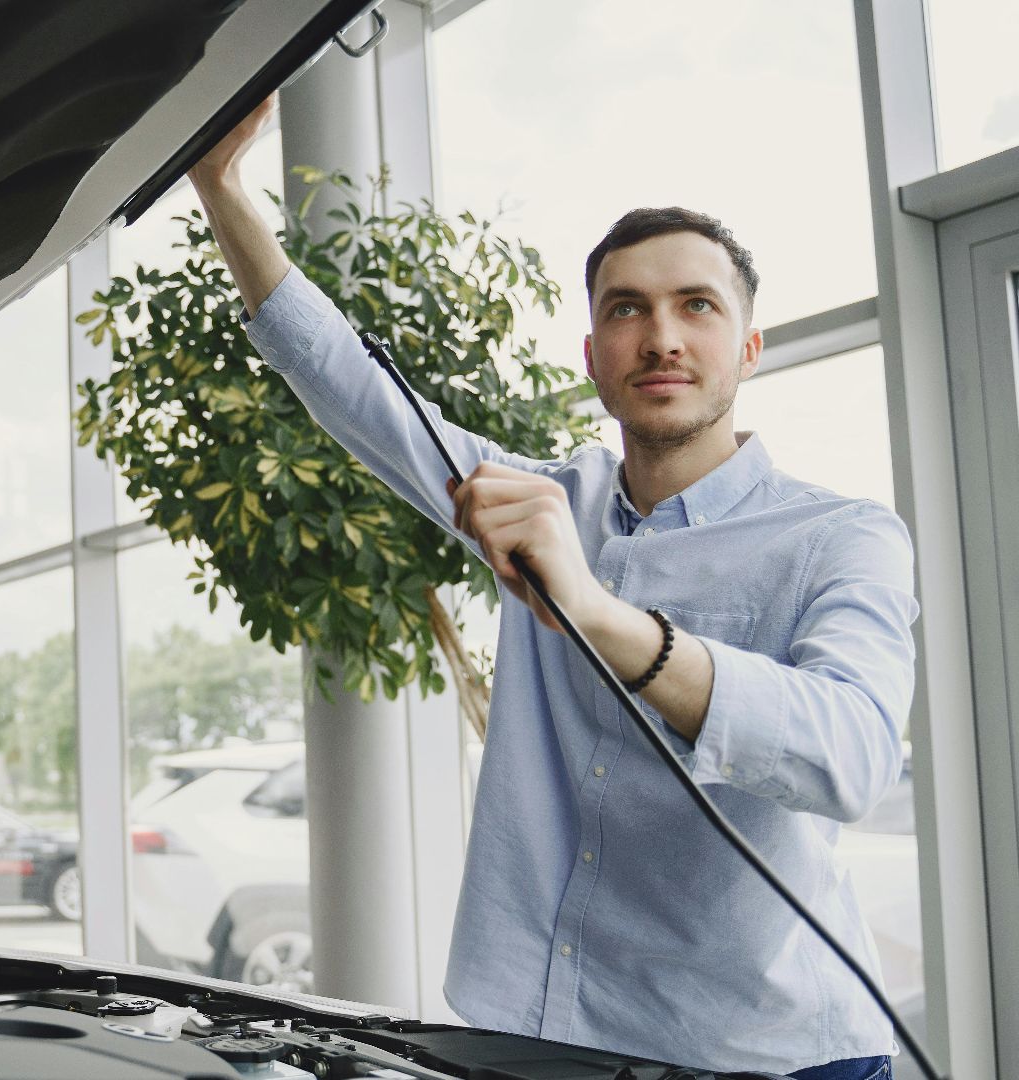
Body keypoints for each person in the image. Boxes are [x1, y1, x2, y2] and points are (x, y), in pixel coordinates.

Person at [186, 95, 914, 1080]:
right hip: (540, 1038)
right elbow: (352, 386)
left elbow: (852, 757)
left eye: (696, 306)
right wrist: (219, 188)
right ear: (594, 358)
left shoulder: (843, 537)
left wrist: (607, 619)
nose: (662, 337)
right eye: (628, 310)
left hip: (763, 1056)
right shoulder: (540, 499)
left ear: (748, 347)